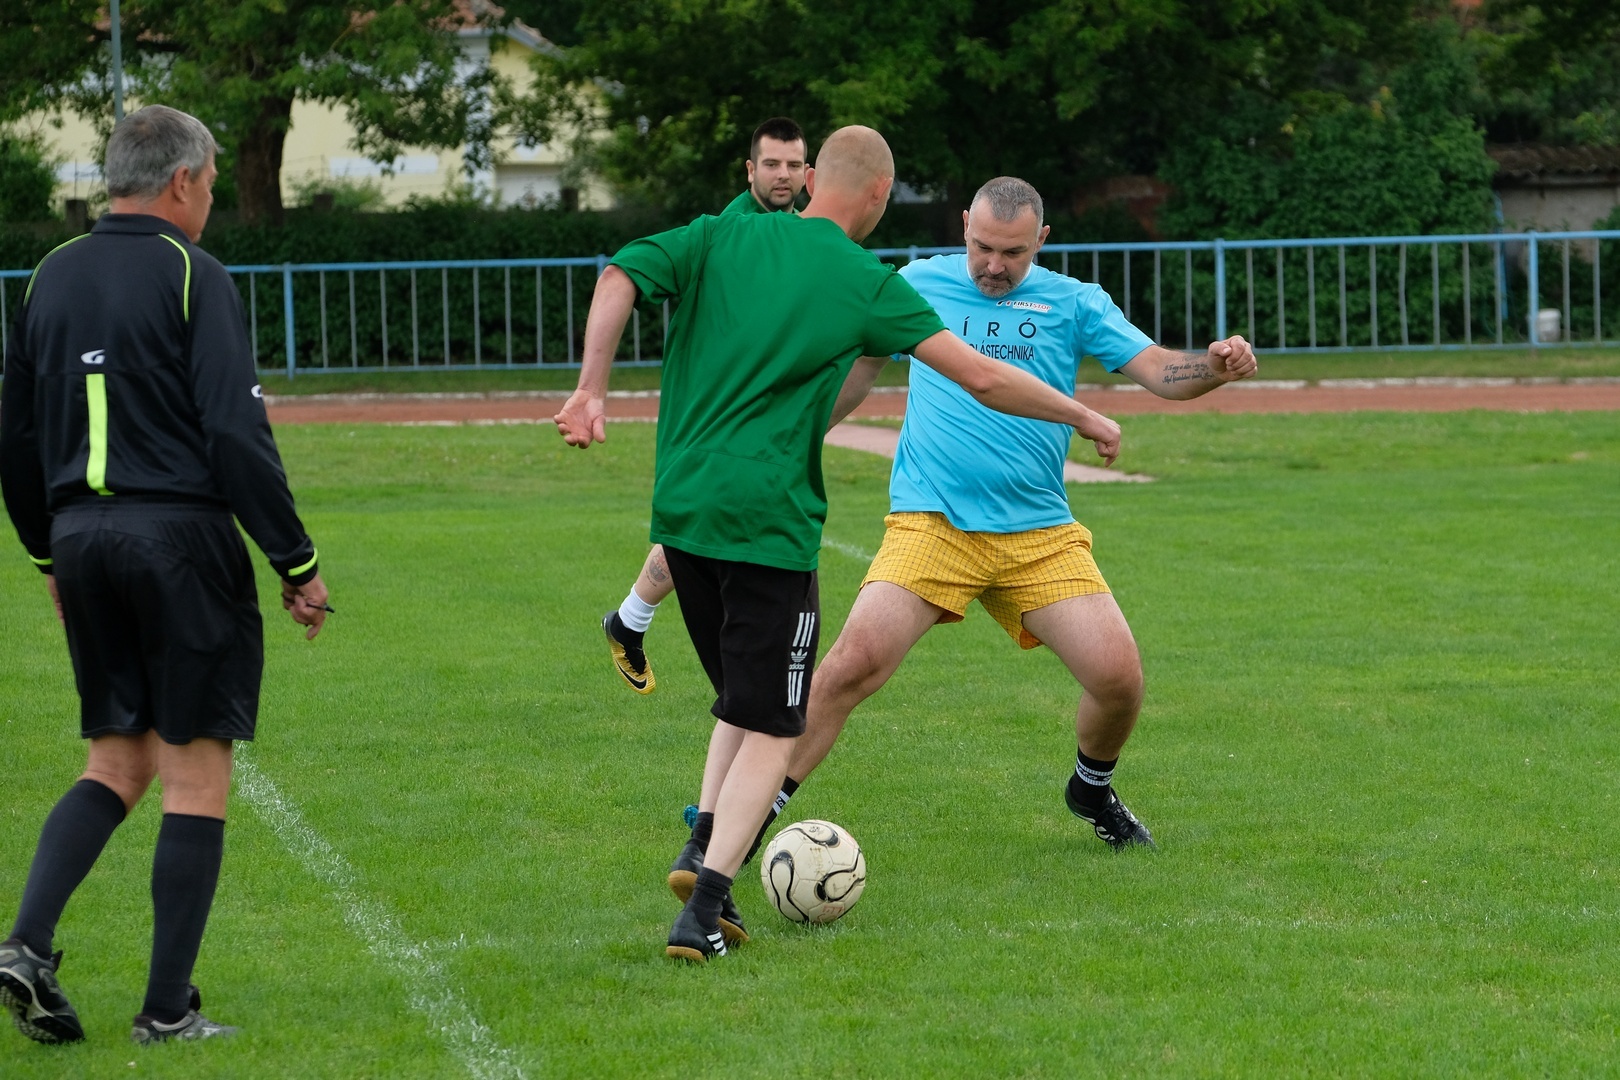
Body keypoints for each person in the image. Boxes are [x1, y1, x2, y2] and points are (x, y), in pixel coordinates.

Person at [556, 128, 1125, 963]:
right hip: (770, 526)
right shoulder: (864, 281)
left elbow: (617, 277)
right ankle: (705, 908)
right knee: (776, 721)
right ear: (880, 195)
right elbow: (981, 375)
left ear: (812, 176)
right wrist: (1082, 414)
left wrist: (590, 389)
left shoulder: (718, 235)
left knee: (743, 702)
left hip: (681, 514)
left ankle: (701, 844)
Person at [749, 176, 1258, 855]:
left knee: (1119, 680)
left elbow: (1162, 372)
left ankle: (1091, 788)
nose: (993, 265)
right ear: (964, 225)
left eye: (1013, 253)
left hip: (1038, 532)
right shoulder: (917, 284)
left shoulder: (1075, 302)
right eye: (983, 247)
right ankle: (745, 821)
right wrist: (796, 438)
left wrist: (1214, 367)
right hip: (933, 523)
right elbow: (861, 370)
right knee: (851, 666)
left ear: (1041, 240)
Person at [0, 105, 330, 1046]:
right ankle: (167, 1010)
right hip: (180, 539)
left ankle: (25, 943)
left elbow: (14, 435)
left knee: (117, 760)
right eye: (213, 184)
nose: (212, 201)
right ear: (181, 181)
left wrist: (47, 553)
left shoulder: (49, 274)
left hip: (81, 539)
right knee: (195, 776)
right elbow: (233, 430)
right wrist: (296, 562)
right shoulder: (195, 273)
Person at [603, 117, 810, 695]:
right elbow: (621, 272)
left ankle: (630, 619)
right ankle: (634, 622)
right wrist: (590, 390)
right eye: (771, 164)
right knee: (756, 681)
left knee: (701, 534)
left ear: (810, 173)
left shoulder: (809, 235)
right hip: (712, 427)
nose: (783, 175)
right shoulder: (721, 235)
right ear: (749, 170)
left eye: (794, 164)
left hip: (762, 438)